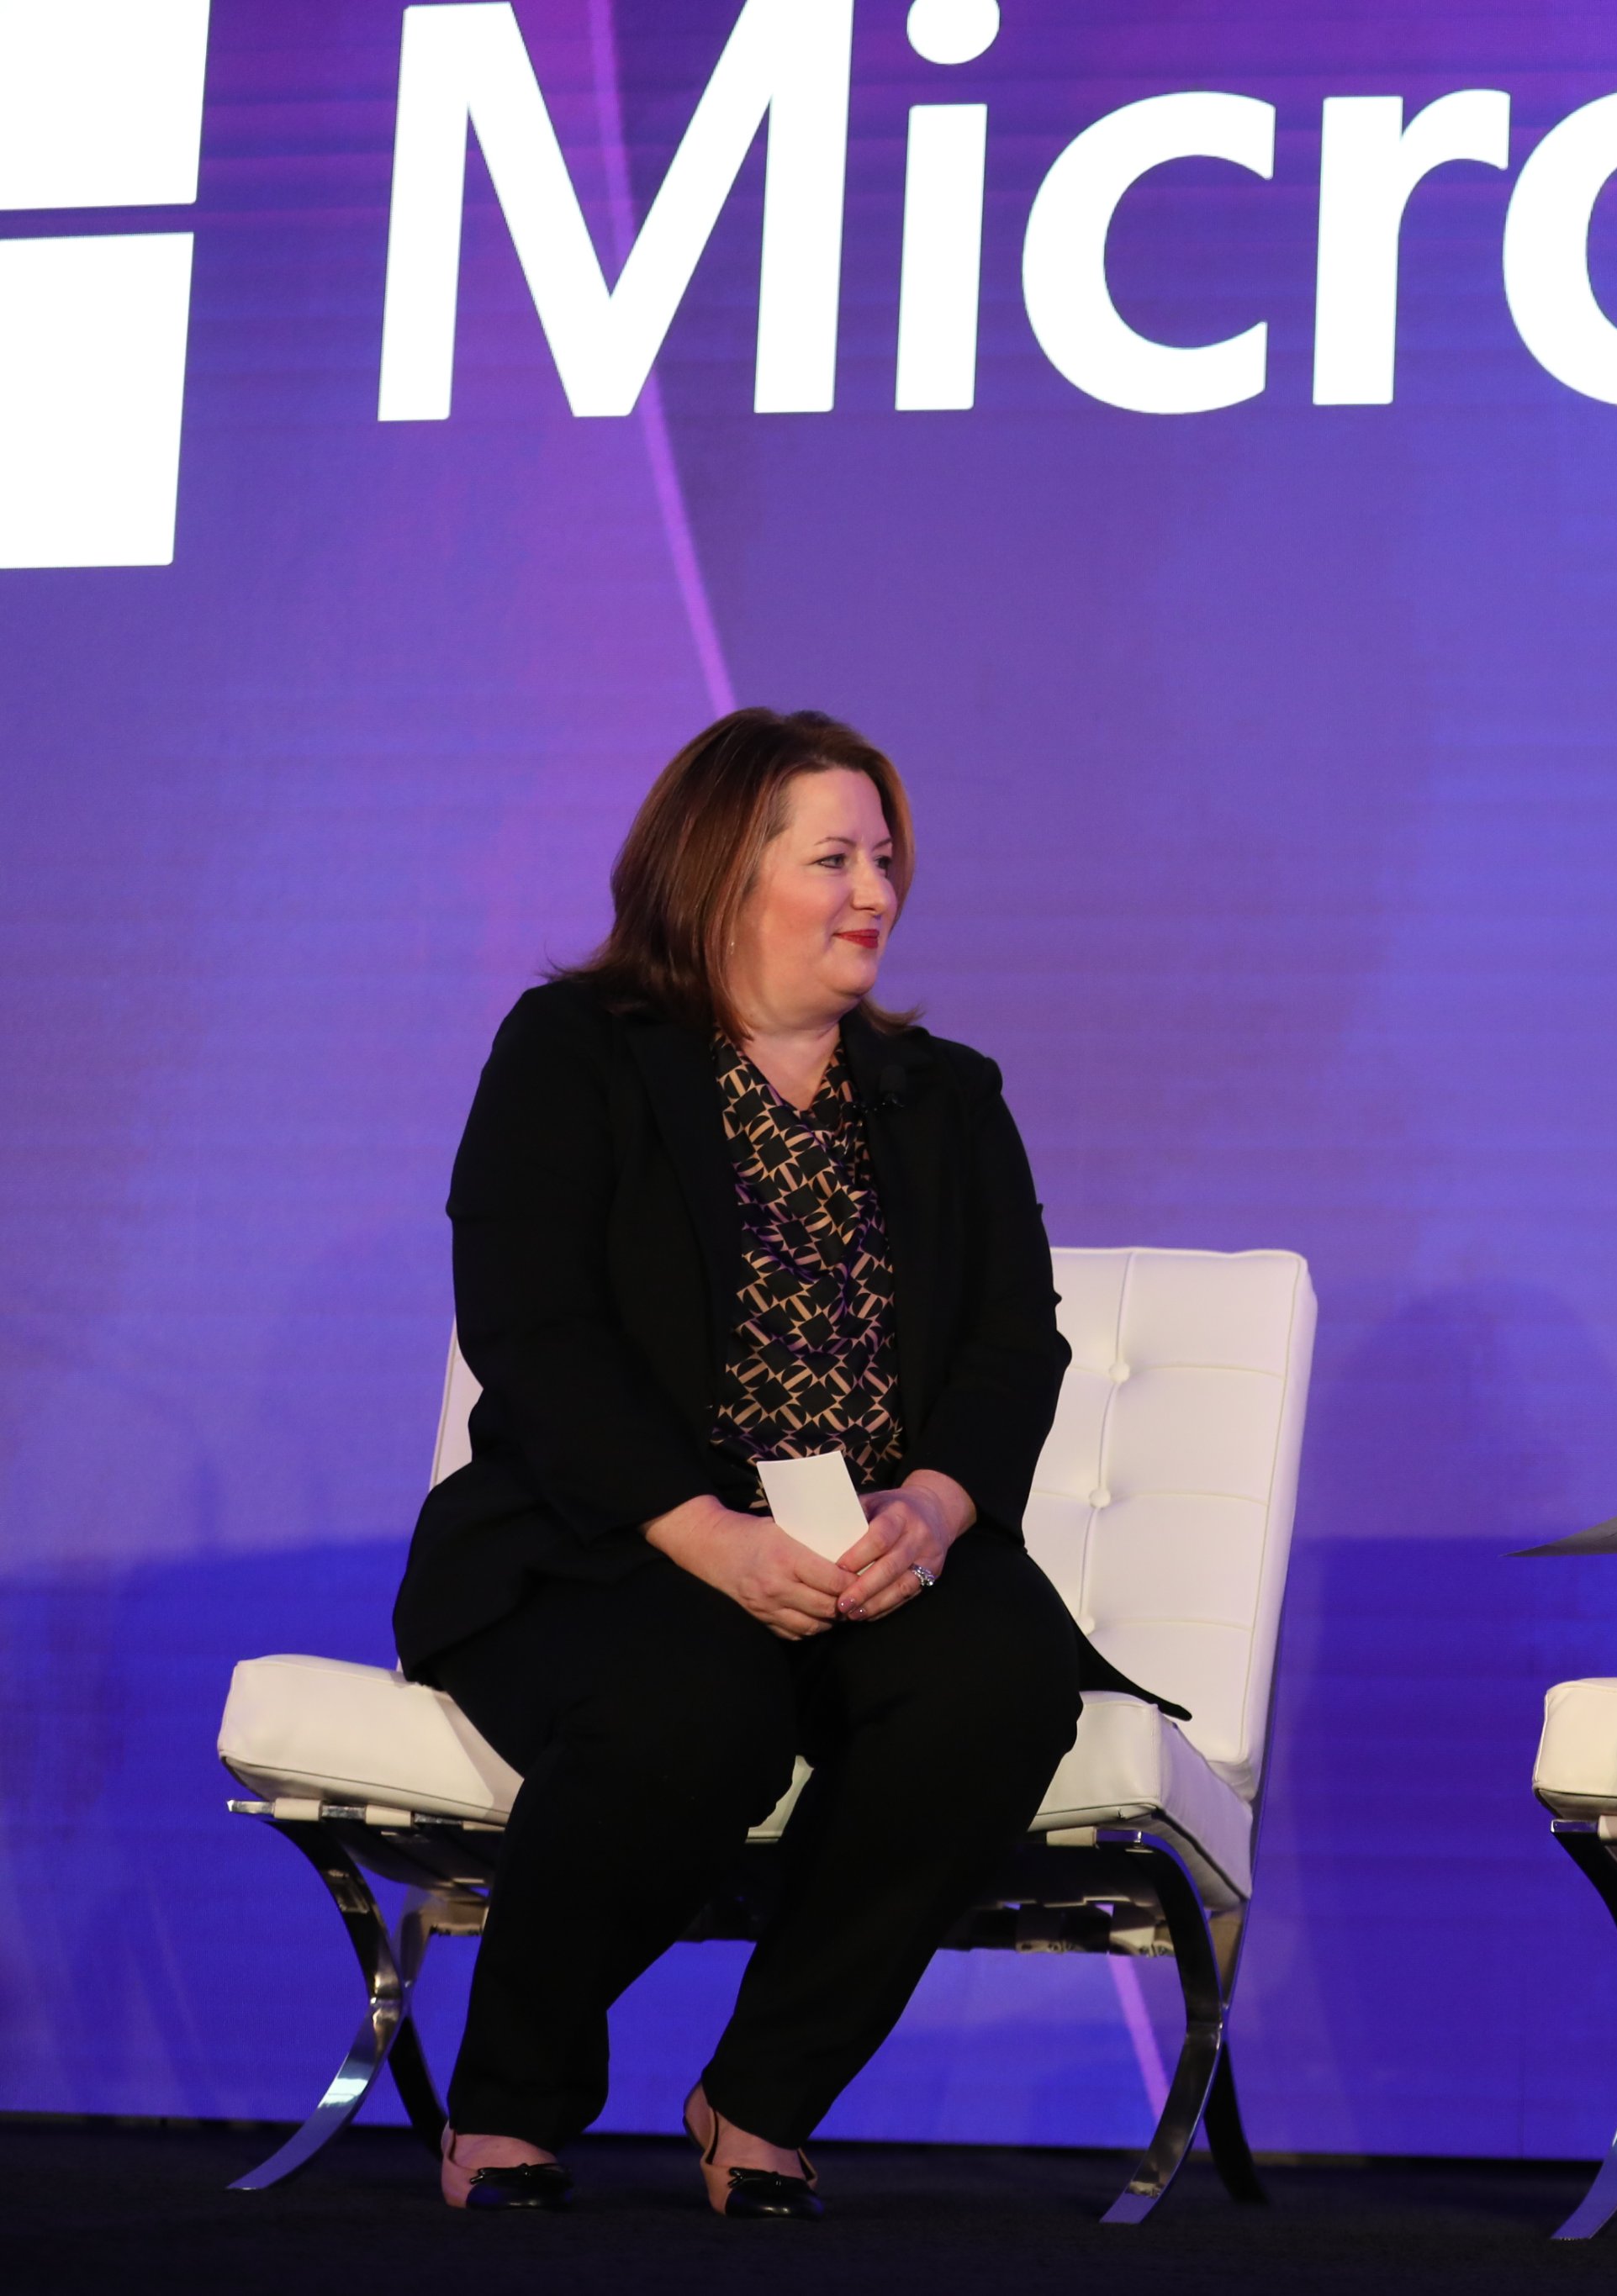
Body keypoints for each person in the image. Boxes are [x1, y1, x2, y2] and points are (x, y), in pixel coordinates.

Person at [394, 709, 1120, 2217]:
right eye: (834, 858)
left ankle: (764, 2092)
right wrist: (703, 1532)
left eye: (885, 859)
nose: (876, 891)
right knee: (696, 1709)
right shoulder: (576, 1054)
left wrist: (933, 1504)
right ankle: (516, 2096)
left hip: (876, 1535)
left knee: (998, 1684)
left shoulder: (950, 1099)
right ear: (726, 871)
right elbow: (533, 1328)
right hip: (616, 1539)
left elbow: (1013, 1346)